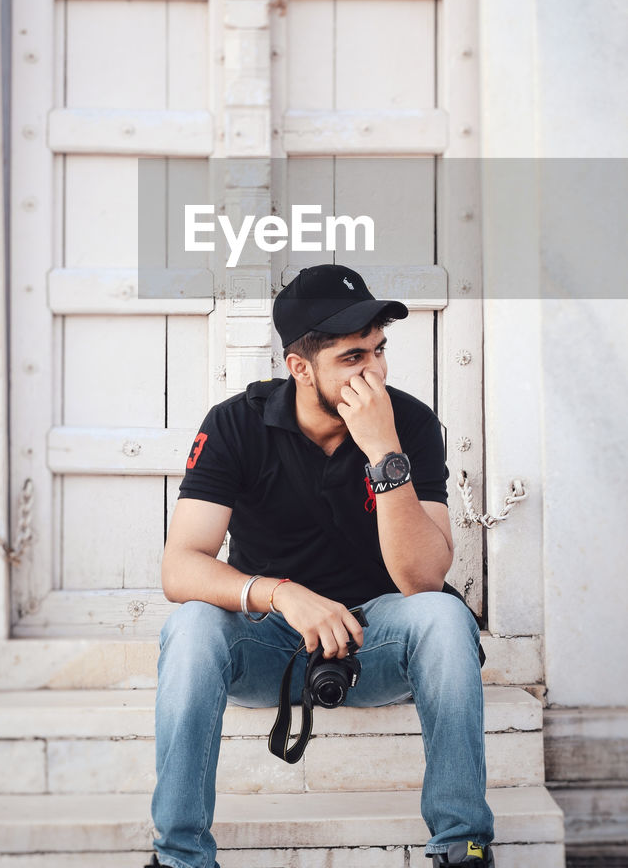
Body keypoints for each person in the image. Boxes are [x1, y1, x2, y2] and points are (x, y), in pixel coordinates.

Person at [149, 263, 495, 868]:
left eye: (379, 351)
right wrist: (282, 594)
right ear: (300, 367)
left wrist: (385, 452)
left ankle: (461, 849)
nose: (375, 372)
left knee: (443, 617)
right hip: (273, 646)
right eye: (352, 357)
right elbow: (181, 568)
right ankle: (180, 858)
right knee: (191, 626)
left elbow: (423, 580)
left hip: (378, 643)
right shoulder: (236, 423)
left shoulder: (406, 423)